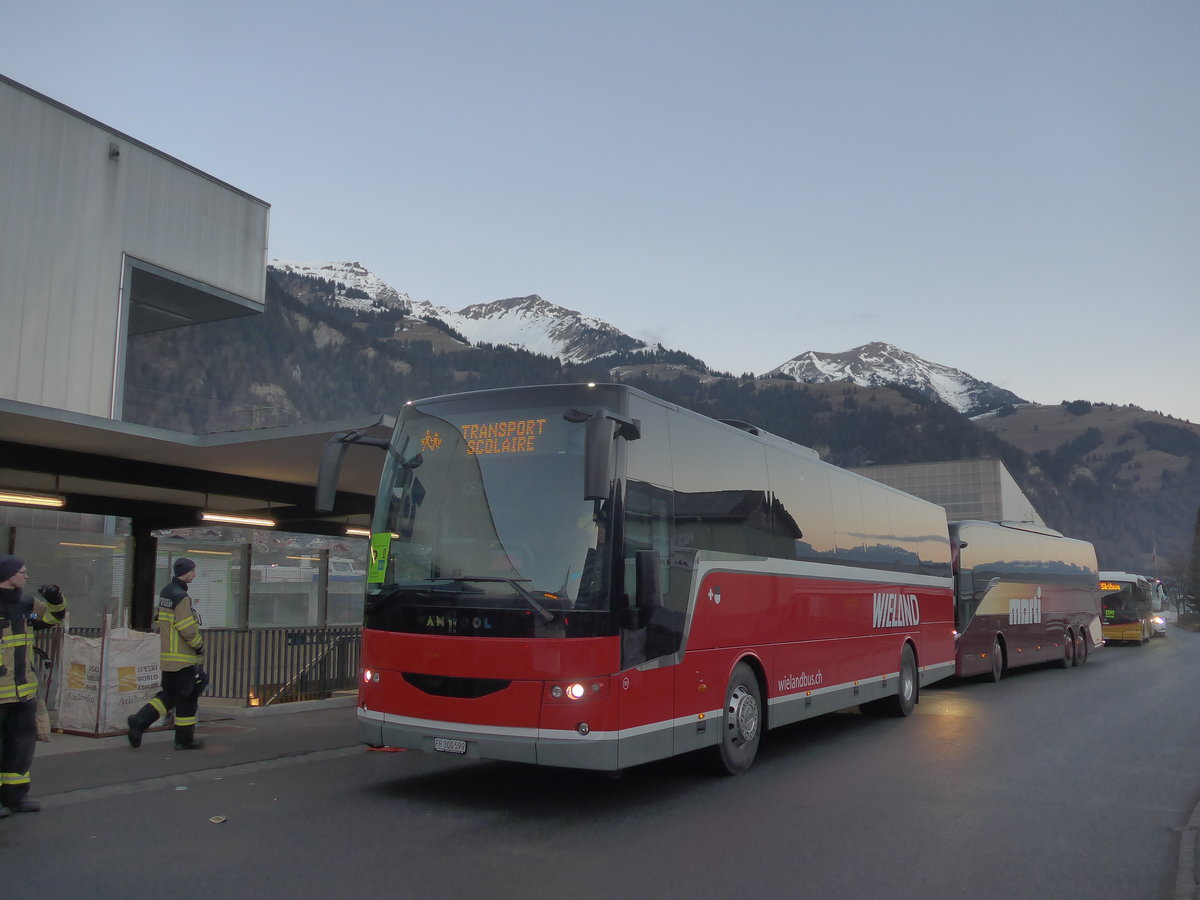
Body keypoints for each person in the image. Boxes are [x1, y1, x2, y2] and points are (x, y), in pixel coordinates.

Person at [0, 554, 67, 816]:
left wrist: (55, 599)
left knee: (21, 746)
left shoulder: (26, 602)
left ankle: (16, 796)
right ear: (7, 575)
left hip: (23, 691)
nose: (27, 576)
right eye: (22, 572)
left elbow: (52, 619)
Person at [126, 557, 206, 751]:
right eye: (192, 571)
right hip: (183, 659)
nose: (194, 575)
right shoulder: (181, 597)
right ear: (184, 572)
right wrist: (199, 646)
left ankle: (139, 721)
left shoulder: (166, 593)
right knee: (187, 699)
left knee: (168, 696)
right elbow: (187, 629)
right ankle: (184, 740)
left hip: (169, 659)